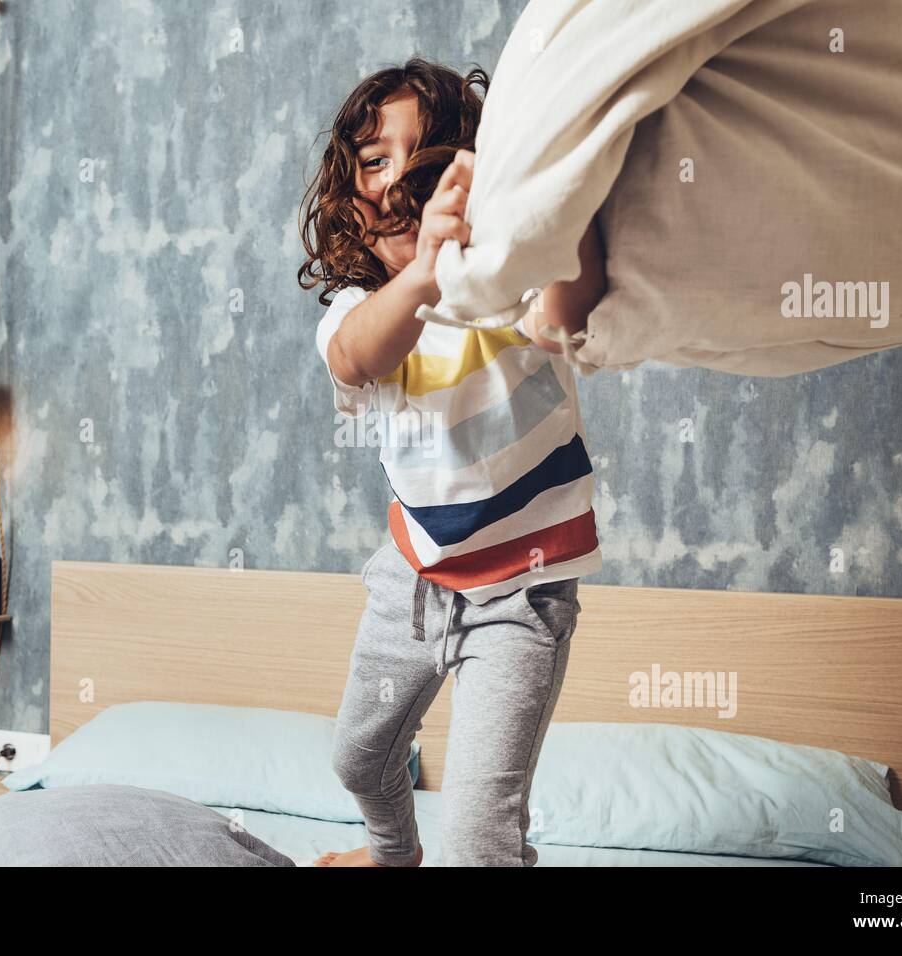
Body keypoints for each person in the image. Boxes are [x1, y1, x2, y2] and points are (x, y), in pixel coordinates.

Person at [297, 57, 607, 866]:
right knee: (358, 759)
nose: (399, 179)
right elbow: (362, 357)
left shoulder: (509, 291)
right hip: (413, 579)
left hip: (519, 596)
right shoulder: (356, 310)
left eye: (425, 154)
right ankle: (392, 855)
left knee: (479, 843)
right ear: (348, 200)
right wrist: (425, 271)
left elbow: (571, 303)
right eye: (374, 160)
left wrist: (559, 196)